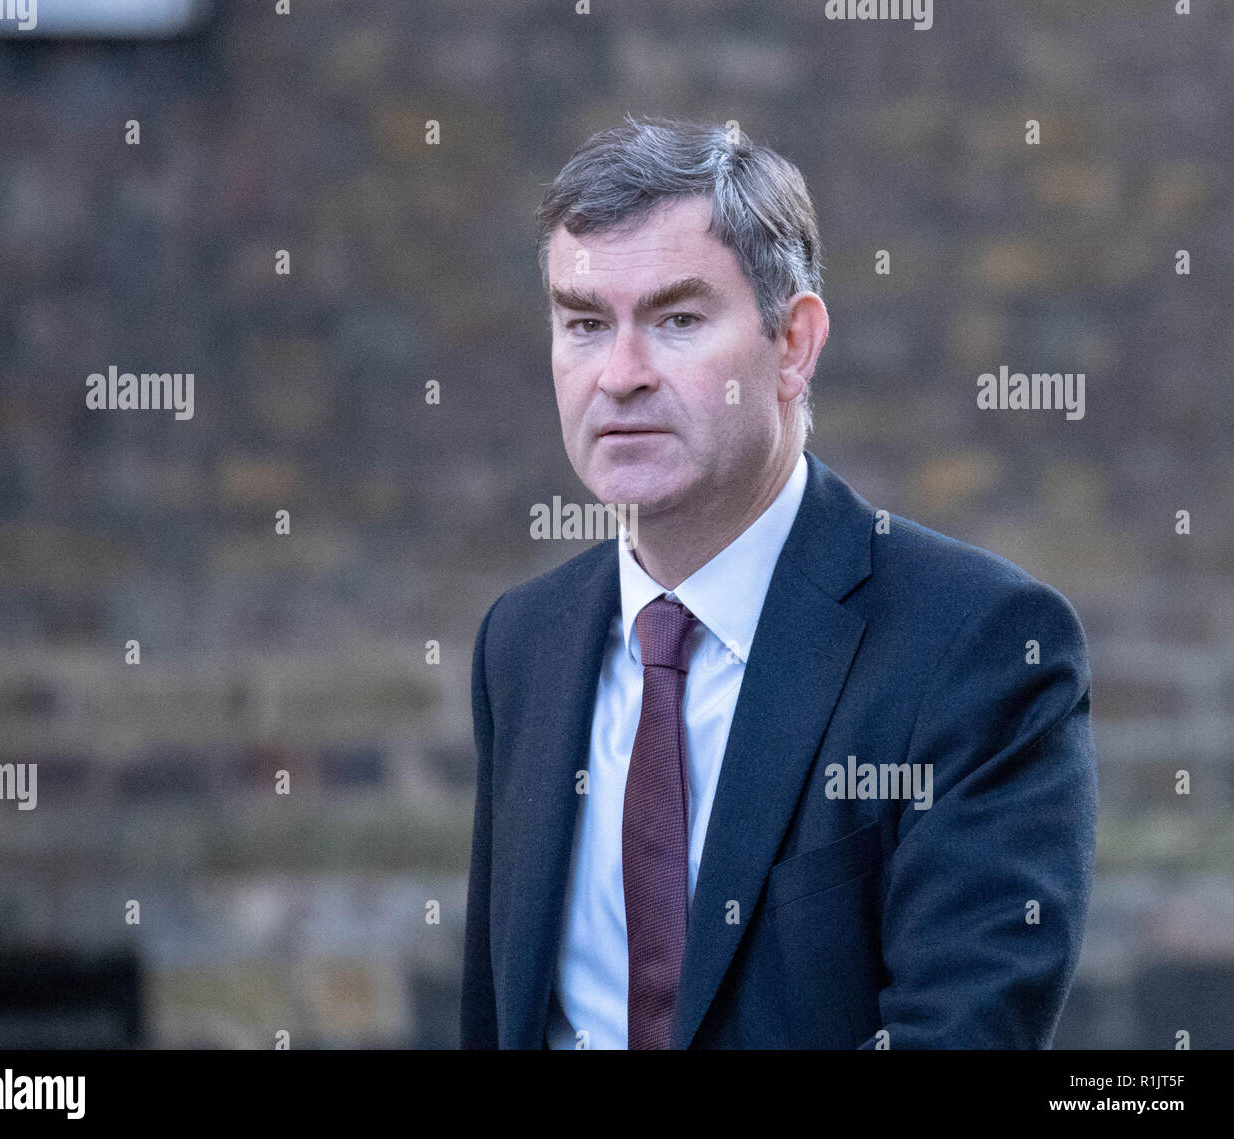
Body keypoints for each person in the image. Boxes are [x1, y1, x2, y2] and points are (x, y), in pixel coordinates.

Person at [460, 115, 1096, 1049]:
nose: (621, 375)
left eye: (677, 320)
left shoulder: (981, 649)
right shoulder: (522, 643)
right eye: (585, 324)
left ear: (793, 344)